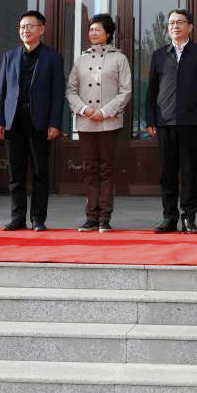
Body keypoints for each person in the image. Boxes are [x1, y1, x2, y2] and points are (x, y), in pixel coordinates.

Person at [146, 8, 197, 234]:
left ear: (190, 27)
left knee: (189, 172)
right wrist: (151, 119)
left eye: (179, 22)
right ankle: (169, 218)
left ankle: (188, 218)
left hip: (192, 122)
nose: (174, 26)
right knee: (167, 173)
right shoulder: (159, 55)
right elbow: (151, 91)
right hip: (165, 122)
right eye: (171, 23)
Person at [0, 10, 65, 231]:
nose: (25, 30)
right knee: (15, 174)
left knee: (40, 173)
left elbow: (57, 93)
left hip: (40, 123)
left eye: (30, 26)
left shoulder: (53, 58)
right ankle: (17, 218)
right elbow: (0, 92)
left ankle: (38, 219)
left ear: (41, 30)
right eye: (22, 26)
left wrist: (55, 123)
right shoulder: (9, 56)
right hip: (14, 121)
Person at [65, 13, 132, 233]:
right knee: (90, 169)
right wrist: (85, 110)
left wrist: (104, 112)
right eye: (91, 29)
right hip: (86, 123)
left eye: (98, 29)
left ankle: (104, 217)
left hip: (109, 122)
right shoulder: (81, 59)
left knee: (106, 169)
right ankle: (90, 217)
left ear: (108, 33)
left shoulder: (119, 59)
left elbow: (125, 91)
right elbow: (71, 90)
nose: (93, 33)